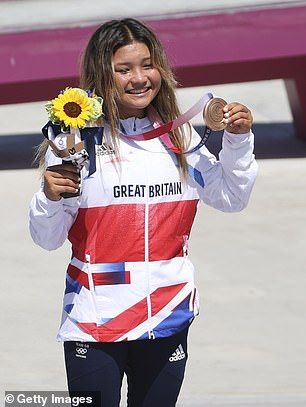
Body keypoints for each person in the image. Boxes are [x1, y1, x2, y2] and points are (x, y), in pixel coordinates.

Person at [29, 18, 258, 407]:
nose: (139, 78)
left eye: (147, 65)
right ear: (103, 74)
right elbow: (47, 237)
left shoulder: (179, 136)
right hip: (94, 323)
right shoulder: (76, 140)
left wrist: (237, 140)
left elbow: (231, 197)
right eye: (124, 69)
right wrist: (49, 197)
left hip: (167, 316)